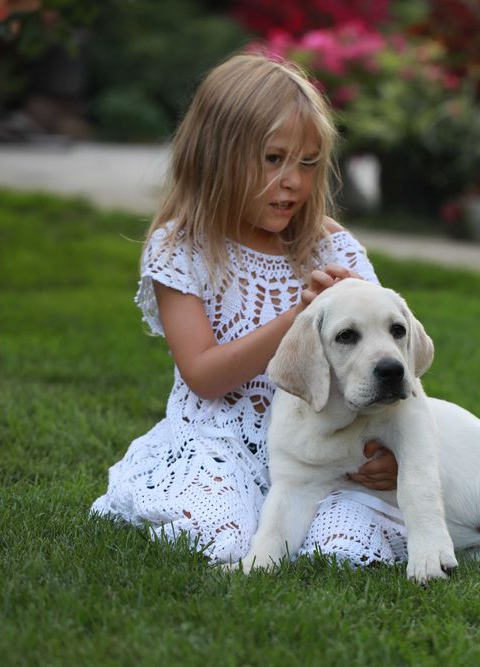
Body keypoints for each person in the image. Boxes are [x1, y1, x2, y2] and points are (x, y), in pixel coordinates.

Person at [91, 53, 407, 567]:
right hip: (219, 446)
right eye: (273, 159)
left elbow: (387, 357)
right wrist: (298, 322)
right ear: (215, 156)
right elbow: (204, 376)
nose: (293, 182)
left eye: (307, 163)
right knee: (224, 530)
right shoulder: (182, 248)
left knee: (342, 546)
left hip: (325, 454)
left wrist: (394, 454)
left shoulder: (332, 247)